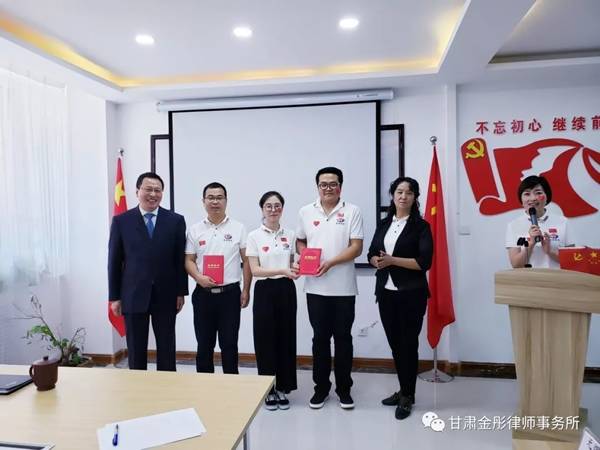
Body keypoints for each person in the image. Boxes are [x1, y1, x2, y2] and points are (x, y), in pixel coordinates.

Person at [296, 167, 364, 410]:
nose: (328, 188)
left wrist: (331, 263)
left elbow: (356, 247)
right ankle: (321, 389)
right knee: (320, 340)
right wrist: (306, 256)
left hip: (344, 288)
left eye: (333, 184)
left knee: (343, 339)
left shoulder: (352, 211)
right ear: (317, 187)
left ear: (340, 187)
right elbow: (300, 240)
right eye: (323, 184)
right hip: (315, 288)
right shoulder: (305, 211)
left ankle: (344, 389)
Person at [367, 177, 433, 420]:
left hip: (411, 294)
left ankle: (408, 396)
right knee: (396, 344)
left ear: (415, 197)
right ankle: (404, 389)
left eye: (409, 192)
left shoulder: (421, 226)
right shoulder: (384, 223)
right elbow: (371, 252)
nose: (403, 196)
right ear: (392, 195)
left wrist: (392, 260)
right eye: (399, 191)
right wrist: (375, 260)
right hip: (386, 292)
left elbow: (424, 262)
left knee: (408, 345)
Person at [108, 172, 188, 371]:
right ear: (138, 191)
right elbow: (114, 261)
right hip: (133, 294)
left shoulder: (175, 220)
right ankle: (138, 388)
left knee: (166, 348)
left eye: (157, 190)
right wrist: (114, 297)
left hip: (166, 294)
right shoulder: (122, 221)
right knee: (136, 351)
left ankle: (166, 386)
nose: (153, 194)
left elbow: (180, 260)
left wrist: (181, 292)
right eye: (148, 189)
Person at [185, 182, 252, 374]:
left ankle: (231, 384)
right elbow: (188, 260)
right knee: (204, 345)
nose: (215, 201)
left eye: (219, 197)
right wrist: (198, 277)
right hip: (203, 295)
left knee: (229, 344)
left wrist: (246, 289)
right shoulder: (195, 230)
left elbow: (247, 260)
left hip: (230, 295)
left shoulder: (239, 228)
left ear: (226, 201)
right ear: (203, 201)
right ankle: (204, 385)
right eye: (211, 198)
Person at [246, 191, 299, 410]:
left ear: (282, 209)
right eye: (269, 206)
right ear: (262, 209)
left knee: (286, 337)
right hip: (264, 290)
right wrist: (282, 270)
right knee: (264, 338)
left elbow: (293, 262)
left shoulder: (291, 234)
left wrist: (295, 269)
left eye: (277, 206)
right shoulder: (254, 236)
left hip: (286, 289)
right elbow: (255, 270)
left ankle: (283, 387)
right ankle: (268, 389)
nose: (273, 209)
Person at [506, 175, 569, 268]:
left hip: (557, 277)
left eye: (538, 193)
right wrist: (531, 243)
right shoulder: (513, 225)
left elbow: (572, 260)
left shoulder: (563, 222)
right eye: (527, 194)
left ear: (547, 197)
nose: (533, 198)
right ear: (521, 199)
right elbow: (516, 264)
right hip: (529, 277)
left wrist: (550, 251)